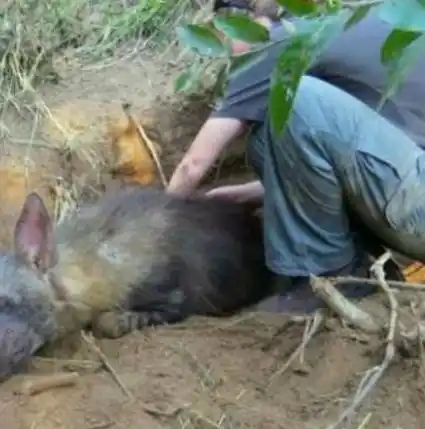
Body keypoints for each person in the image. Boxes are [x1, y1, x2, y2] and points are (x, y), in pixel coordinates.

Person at [166, 10, 425, 313]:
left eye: (222, 39)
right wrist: (256, 191)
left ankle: (334, 277)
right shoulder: (378, 21)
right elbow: (364, 157)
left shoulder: (277, 44)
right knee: (267, 137)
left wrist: (158, 221)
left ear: (242, 22)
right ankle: (363, 266)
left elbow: (193, 165)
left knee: (296, 101)